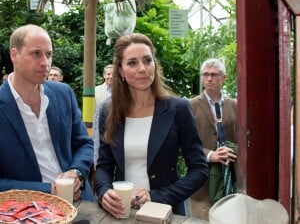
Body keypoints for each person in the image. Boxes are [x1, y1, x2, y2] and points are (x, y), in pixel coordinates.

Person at [94, 33, 208, 218]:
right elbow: (104, 166)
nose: (142, 68)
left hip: (165, 211)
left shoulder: (178, 109)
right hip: (121, 212)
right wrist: (104, 191)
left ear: (155, 65)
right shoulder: (109, 111)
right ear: (121, 71)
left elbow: (199, 170)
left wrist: (156, 196)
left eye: (147, 60)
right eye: (132, 63)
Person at [0, 24, 94, 201]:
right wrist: (47, 190)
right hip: (28, 210)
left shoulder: (63, 94)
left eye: (48, 54)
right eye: (36, 54)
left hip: (81, 204)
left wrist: (76, 173)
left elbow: (84, 144)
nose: (45, 62)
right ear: (14, 55)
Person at [189, 58, 237, 220]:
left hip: (229, 184)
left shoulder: (236, 106)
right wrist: (210, 155)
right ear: (202, 78)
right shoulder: (190, 106)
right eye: (206, 74)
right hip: (201, 187)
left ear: (224, 78)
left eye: (214, 75)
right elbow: (184, 145)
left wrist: (233, 150)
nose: (209, 79)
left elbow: (244, 141)